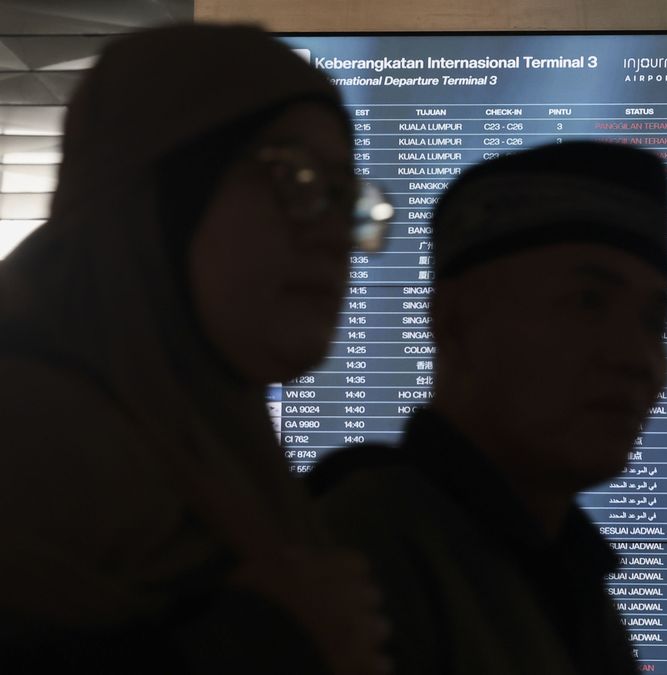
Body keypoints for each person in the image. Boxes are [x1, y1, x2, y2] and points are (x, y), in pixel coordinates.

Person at [0, 24, 391, 674]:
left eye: (345, 196)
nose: (333, 236)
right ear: (158, 197)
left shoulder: (210, 440)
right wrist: (258, 644)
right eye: (294, 177)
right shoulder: (30, 435)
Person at [312, 141, 667, 675]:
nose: (637, 359)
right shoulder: (360, 562)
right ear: (454, 322)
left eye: (654, 322)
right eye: (588, 302)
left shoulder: (564, 570)